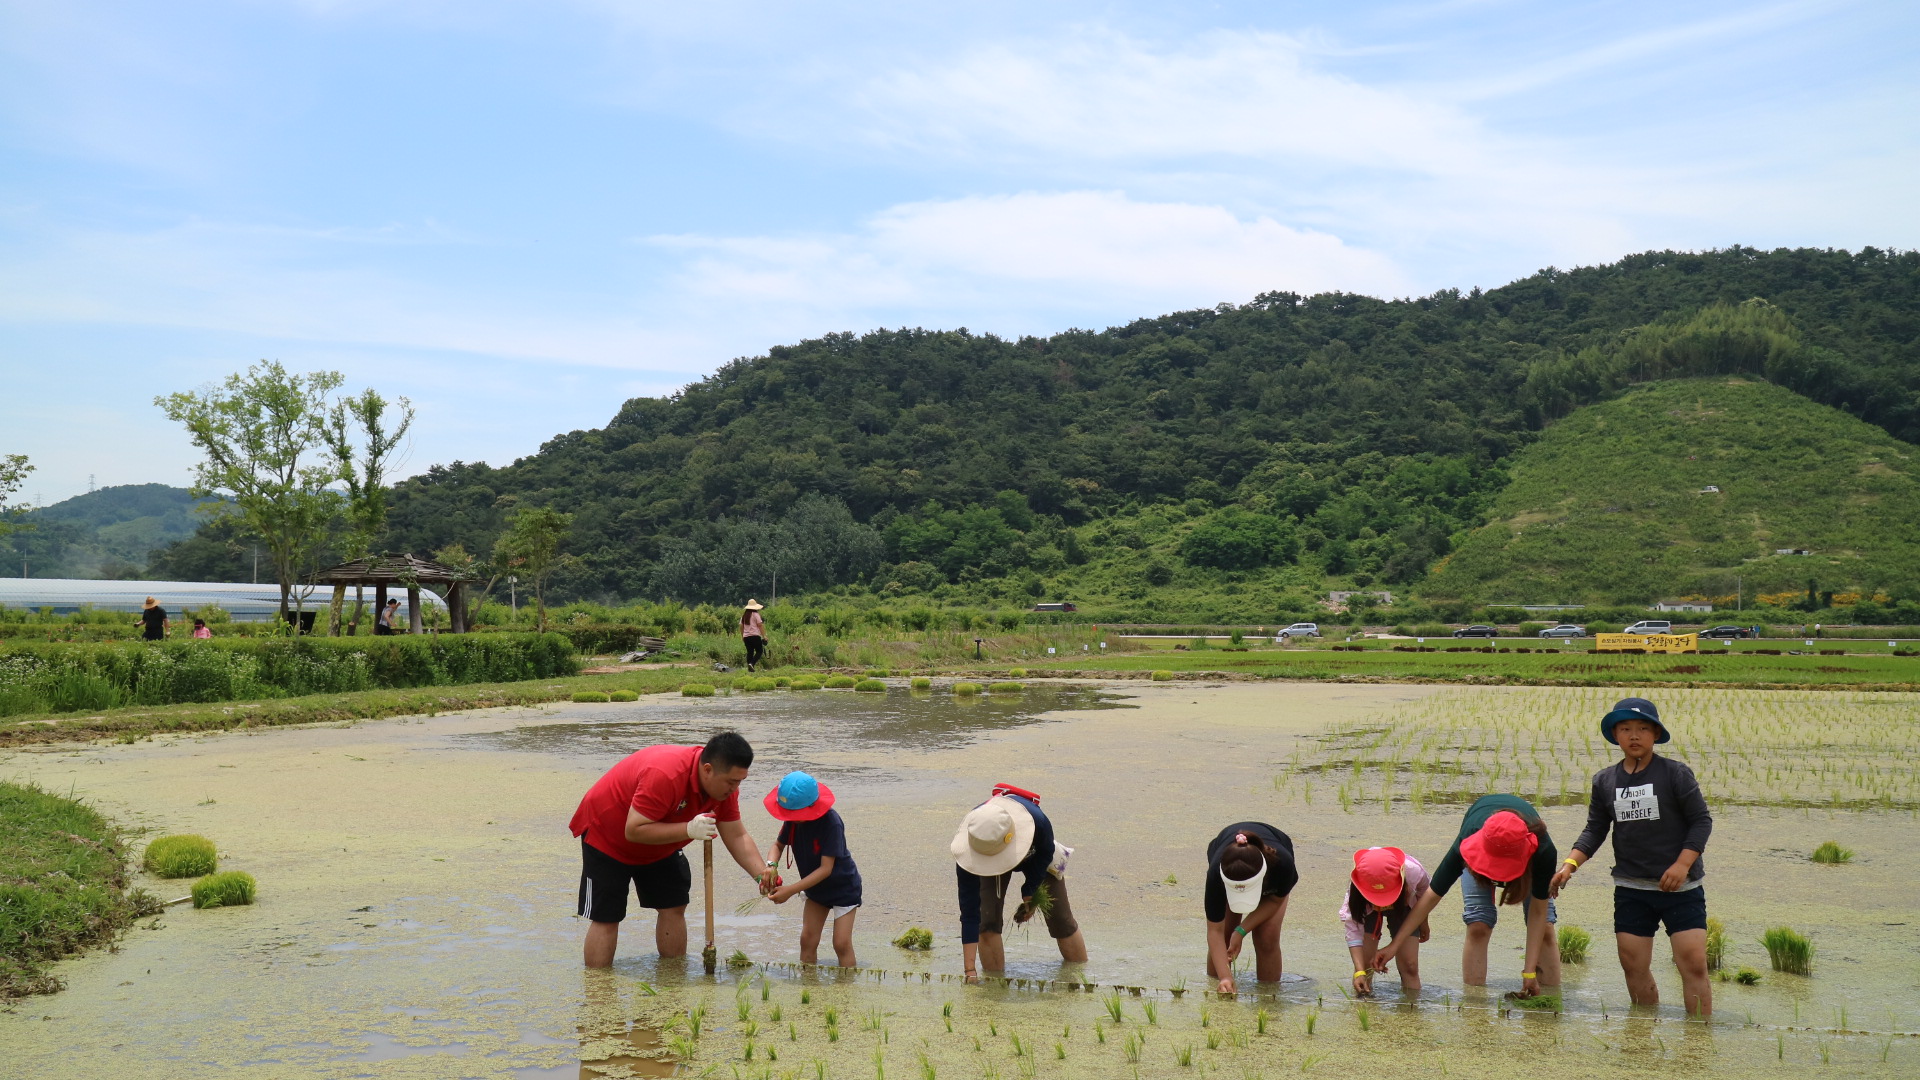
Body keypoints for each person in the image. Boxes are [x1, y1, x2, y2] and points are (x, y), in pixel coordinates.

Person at [1552, 697, 1714, 1016]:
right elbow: (1595, 829)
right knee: (1633, 965)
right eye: (1625, 729)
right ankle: (1642, 1032)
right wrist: (1569, 865)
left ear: (1656, 734)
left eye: (1642, 728)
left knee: (1693, 964)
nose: (1634, 735)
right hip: (1631, 888)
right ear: (1616, 735)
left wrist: (1682, 865)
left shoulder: (1676, 774)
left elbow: (1701, 821)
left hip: (1681, 889)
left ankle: (1699, 1036)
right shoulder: (1605, 781)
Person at [569, 731, 767, 967]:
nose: (735, 789)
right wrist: (688, 829)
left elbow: (736, 835)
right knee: (607, 916)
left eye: (740, 781)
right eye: (732, 782)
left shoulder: (724, 789)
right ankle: (598, 986)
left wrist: (762, 875)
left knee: (673, 905)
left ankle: (673, 977)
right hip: (608, 836)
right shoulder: (666, 774)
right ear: (707, 770)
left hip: (661, 841)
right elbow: (634, 830)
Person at [1373, 794, 1562, 997]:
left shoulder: (1543, 851)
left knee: (1546, 929)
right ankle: (1475, 1008)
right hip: (1482, 840)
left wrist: (1529, 971)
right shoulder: (1469, 839)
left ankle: (1549, 1002)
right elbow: (1431, 896)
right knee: (1478, 924)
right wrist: (1394, 945)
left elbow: (1538, 912)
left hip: (1529, 859)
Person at [951, 783, 1087, 981]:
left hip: (1035, 852)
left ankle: (1078, 980)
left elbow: (1046, 852)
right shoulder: (972, 848)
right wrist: (969, 970)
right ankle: (995, 988)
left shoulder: (1038, 821)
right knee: (987, 921)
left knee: (1061, 919)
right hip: (986, 851)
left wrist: (1030, 891)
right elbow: (970, 913)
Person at [761, 771, 861, 967]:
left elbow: (826, 869)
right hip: (815, 890)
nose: (793, 818)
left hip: (843, 888)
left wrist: (790, 890)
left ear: (811, 805)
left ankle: (846, 985)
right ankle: (807, 982)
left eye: (796, 814)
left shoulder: (831, 822)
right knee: (807, 939)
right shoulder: (792, 821)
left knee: (841, 943)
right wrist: (771, 866)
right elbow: (778, 845)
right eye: (789, 814)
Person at [1203, 823, 1299, 993]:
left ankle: (1269, 997)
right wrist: (1225, 977)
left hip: (1272, 881)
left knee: (1266, 935)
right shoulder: (1215, 875)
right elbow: (1214, 931)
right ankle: (1218, 989)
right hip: (1228, 866)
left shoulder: (1282, 864)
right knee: (1225, 936)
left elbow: (1275, 901)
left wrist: (1241, 931)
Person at [1339, 846, 1431, 996]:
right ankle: (1364, 1003)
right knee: (1366, 965)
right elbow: (1353, 930)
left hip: (1404, 904)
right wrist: (1359, 971)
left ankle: (1411, 1006)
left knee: (1410, 965)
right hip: (1367, 906)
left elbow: (1425, 896)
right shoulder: (1358, 889)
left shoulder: (1414, 872)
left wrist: (1423, 921)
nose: (1381, 905)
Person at [741, 600, 766, 672]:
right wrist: (764, 636)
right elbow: (760, 625)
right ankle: (752, 663)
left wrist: (742, 636)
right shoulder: (755, 614)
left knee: (750, 652)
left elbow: (741, 626)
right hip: (755, 636)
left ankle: (750, 668)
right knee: (759, 651)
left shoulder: (744, 615)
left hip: (746, 637)